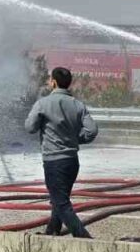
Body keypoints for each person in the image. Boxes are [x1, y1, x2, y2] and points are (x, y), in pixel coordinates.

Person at [24, 67, 98, 238]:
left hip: (53, 161)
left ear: (54, 82)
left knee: (61, 203)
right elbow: (92, 130)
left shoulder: (43, 103)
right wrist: (75, 139)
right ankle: (52, 232)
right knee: (59, 199)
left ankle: (85, 239)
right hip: (72, 161)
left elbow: (29, 128)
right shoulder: (78, 105)